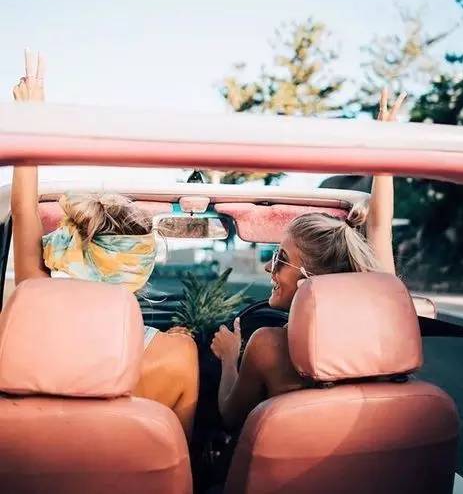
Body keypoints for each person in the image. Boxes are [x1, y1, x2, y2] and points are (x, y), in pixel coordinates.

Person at [10, 49, 199, 439]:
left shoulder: (24, 333)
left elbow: (24, 210)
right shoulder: (177, 357)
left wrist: (30, 118)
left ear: (72, 258)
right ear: (140, 271)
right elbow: (179, 453)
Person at [211, 88, 406, 430]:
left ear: (310, 280)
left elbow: (229, 417)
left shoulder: (268, 347)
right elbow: (379, 224)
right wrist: (385, 143)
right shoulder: (383, 334)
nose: (269, 266)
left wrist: (229, 357)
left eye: (280, 257)